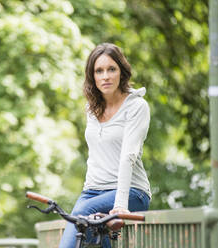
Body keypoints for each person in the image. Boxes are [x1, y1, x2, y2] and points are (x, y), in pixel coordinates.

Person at [58, 43, 151, 248]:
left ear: (121, 72)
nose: (105, 76)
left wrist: (120, 204)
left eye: (111, 69)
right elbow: (96, 155)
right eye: (99, 71)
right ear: (93, 77)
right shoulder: (91, 109)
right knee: (87, 233)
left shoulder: (136, 106)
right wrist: (86, 195)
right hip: (92, 192)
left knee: (76, 231)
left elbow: (129, 156)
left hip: (131, 192)